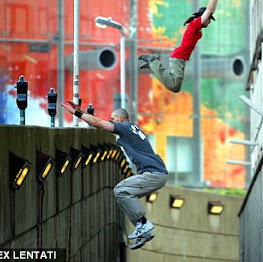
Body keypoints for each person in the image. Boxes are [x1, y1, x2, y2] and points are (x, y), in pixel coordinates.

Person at [61, 101, 168, 250]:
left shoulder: (124, 127)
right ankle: (143, 229)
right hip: (157, 173)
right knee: (125, 193)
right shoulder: (131, 129)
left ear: (121, 119)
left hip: (154, 174)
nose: (110, 121)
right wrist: (83, 112)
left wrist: (76, 113)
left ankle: (143, 224)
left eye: (113, 119)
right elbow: (99, 124)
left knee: (121, 190)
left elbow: (100, 124)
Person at [138, 0, 219, 93]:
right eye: (209, 19)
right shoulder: (194, 25)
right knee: (174, 86)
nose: (209, 22)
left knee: (175, 86)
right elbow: (209, 10)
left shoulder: (196, 27)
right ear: (203, 17)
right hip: (178, 57)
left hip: (181, 58)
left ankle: (153, 64)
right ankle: (153, 62)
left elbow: (210, 11)